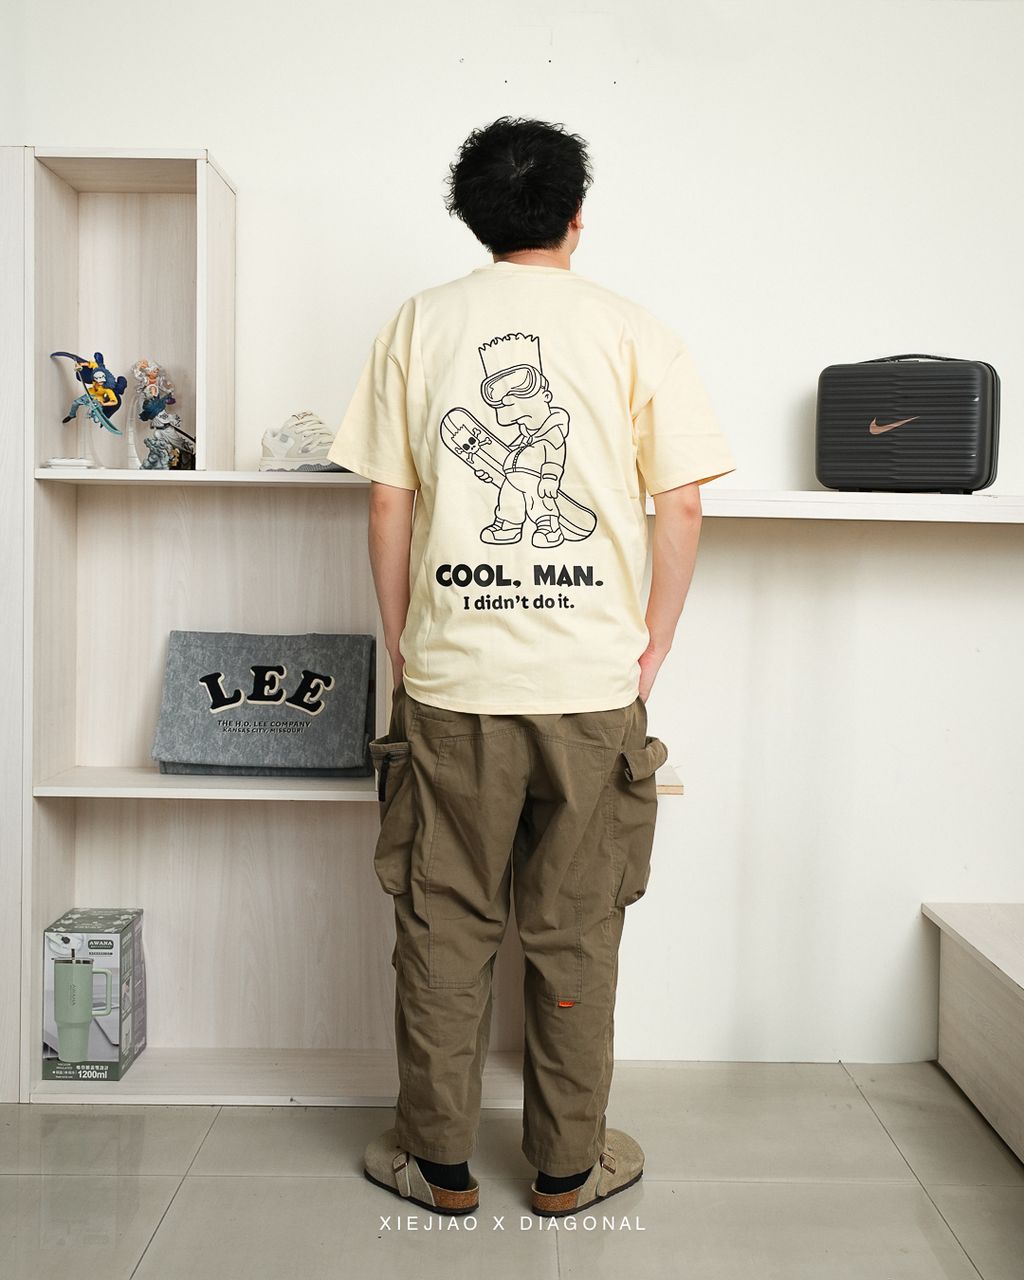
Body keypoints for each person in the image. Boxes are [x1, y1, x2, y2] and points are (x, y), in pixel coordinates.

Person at [326, 115, 737, 1219]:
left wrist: (406, 640)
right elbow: (683, 505)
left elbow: (386, 501)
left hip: (452, 683)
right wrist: (651, 642)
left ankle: (436, 1161)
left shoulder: (419, 323)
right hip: (591, 689)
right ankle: (567, 1166)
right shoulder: (637, 332)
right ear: (575, 215)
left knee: (442, 921)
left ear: (473, 217)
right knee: (576, 926)